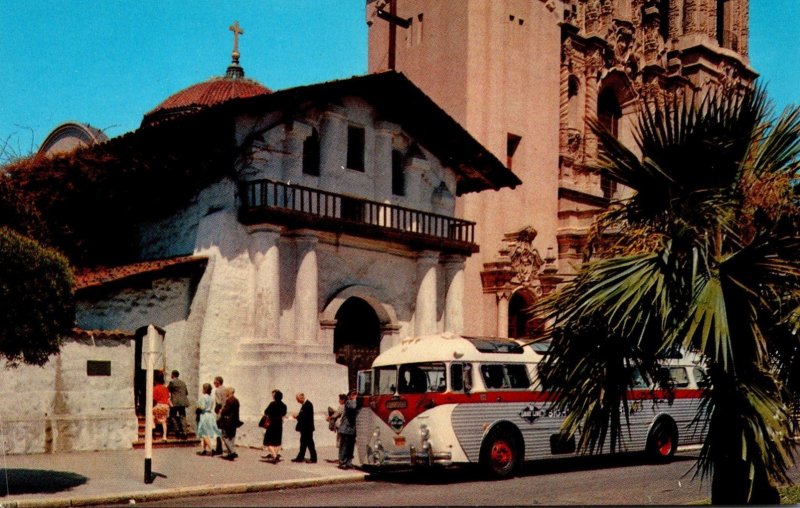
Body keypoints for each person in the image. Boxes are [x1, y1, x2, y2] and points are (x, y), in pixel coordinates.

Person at [195, 383, 221, 456]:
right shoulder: (211, 398)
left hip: (204, 415)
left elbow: (202, 407)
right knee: (206, 432)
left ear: (204, 389)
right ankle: (204, 449)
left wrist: (197, 405)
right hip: (210, 415)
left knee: (203, 433)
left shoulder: (203, 397)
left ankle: (211, 448)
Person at [262, 389, 287, 464]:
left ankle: (274, 456)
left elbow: (266, 411)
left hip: (272, 424)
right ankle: (275, 455)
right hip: (279, 424)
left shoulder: (272, 404)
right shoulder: (284, 405)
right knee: (277, 441)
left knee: (268, 442)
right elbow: (284, 413)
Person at [290, 392, 316, 463]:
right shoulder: (305, 404)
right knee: (303, 443)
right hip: (305, 428)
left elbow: (305, 417)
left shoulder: (308, 404)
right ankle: (300, 457)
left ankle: (313, 458)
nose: (297, 401)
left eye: (298, 399)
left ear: (301, 398)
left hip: (307, 428)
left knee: (310, 443)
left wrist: (297, 416)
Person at [337, 389, 359, 469]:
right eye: (353, 394)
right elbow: (354, 406)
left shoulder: (354, 402)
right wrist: (355, 399)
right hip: (345, 429)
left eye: (356, 394)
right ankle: (342, 462)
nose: (355, 396)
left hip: (352, 429)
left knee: (350, 447)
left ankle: (349, 462)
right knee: (344, 447)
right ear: (349, 396)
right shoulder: (349, 402)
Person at [217, 387, 241, 461]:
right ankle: (231, 453)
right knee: (232, 436)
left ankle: (232, 451)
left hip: (228, 421)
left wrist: (221, 410)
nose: (225, 393)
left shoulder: (229, 400)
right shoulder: (236, 400)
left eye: (226, 392)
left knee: (225, 436)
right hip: (234, 421)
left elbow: (226, 411)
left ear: (229, 392)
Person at [167, 370, 190, 439]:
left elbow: (167, 390)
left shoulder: (172, 382)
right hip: (183, 401)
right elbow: (186, 392)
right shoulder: (183, 383)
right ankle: (184, 432)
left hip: (175, 401)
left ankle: (176, 429)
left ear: (173, 375)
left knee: (172, 415)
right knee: (182, 416)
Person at [152, 370, 170, 440]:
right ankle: (164, 436)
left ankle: (153, 430)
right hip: (165, 406)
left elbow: (154, 398)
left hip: (159, 405)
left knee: (151, 416)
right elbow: (168, 397)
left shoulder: (155, 388)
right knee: (164, 421)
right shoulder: (165, 388)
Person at [211, 376, 227, 455]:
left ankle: (219, 449)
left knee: (218, 431)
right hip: (226, 411)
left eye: (214, 382)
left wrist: (216, 410)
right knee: (224, 431)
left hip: (220, 412)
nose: (214, 383)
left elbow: (219, 403)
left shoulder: (217, 391)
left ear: (218, 382)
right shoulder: (225, 389)